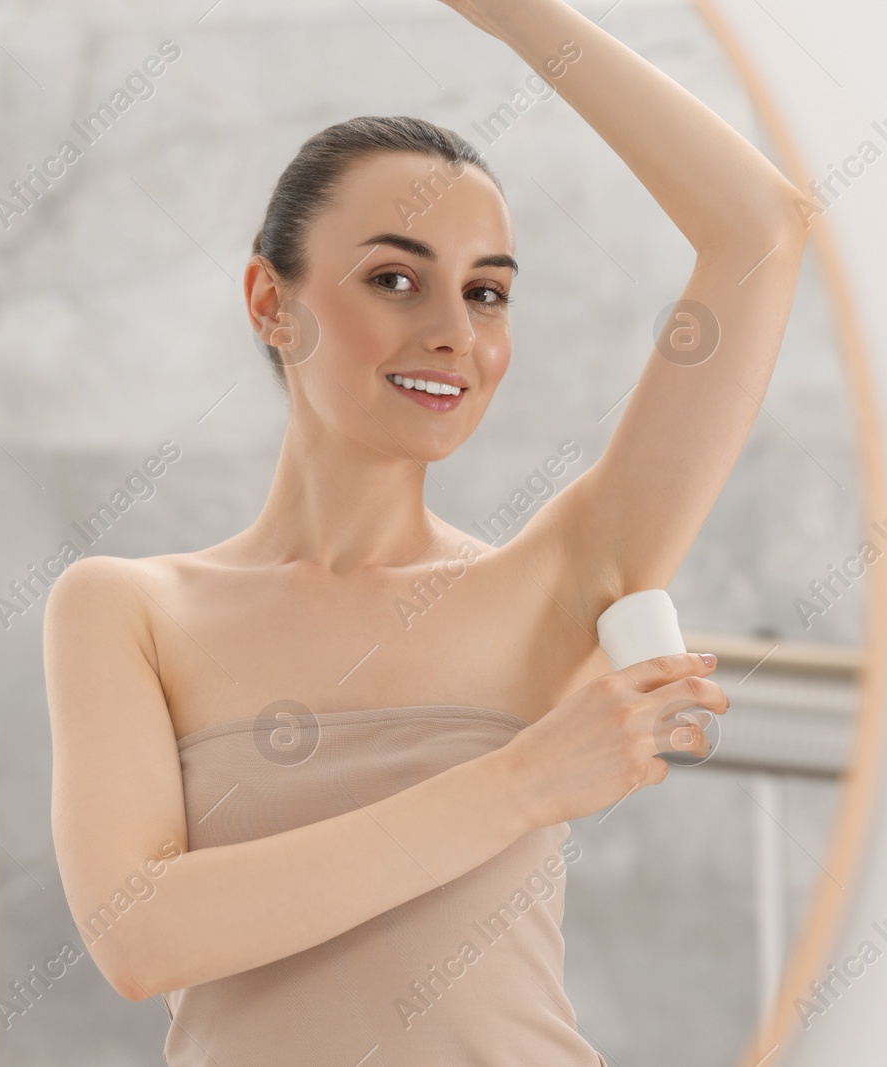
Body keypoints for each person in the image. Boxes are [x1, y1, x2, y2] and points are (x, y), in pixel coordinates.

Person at [43, 0, 809, 1062]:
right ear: (272, 300)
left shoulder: (557, 579)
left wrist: (520, 18)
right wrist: (524, 780)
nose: (452, 330)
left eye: (486, 292)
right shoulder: (129, 608)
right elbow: (139, 933)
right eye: (394, 278)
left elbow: (760, 231)